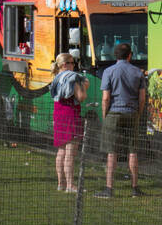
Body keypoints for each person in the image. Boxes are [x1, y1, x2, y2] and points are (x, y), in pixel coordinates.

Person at [96, 41, 146, 197]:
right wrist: (138, 113)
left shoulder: (109, 72)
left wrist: (105, 115)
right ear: (130, 55)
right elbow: (142, 97)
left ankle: (109, 188)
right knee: (133, 152)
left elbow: (105, 98)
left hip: (114, 112)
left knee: (112, 152)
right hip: (131, 112)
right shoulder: (138, 72)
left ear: (115, 55)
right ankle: (135, 187)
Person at [51, 52, 88, 193]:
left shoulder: (56, 78)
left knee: (61, 150)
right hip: (71, 115)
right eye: (72, 63)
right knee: (70, 152)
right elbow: (81, 97)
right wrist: (84, 87)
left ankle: (61, 183)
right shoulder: (73, 78)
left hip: (58, 114)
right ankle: (70, 185)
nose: (74, 65)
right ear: (64, 64)